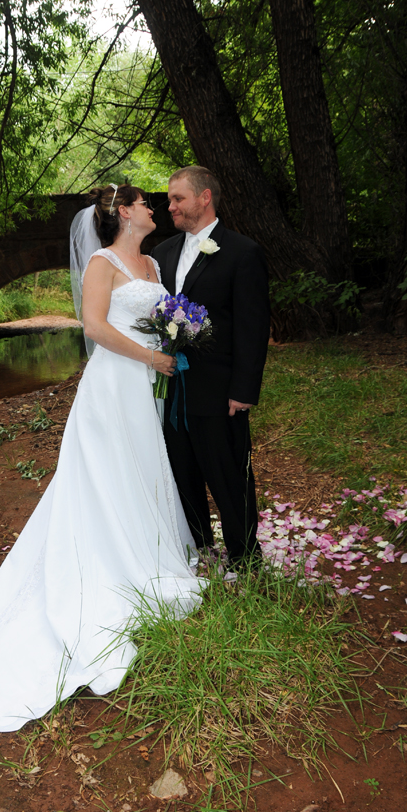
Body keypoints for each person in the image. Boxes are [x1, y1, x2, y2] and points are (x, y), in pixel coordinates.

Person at [0, 185, 204, 733]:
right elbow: (95, 328)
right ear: (124, 212)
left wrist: (171, 343)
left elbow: (157, 317)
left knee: (141, 472)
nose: (154, 209)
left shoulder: (150, 261)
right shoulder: (102, 262)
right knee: (103, 479)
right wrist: (152, 355)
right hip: (113, 386)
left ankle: (144, 559)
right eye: (146, 202)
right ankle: (103, 572)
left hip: (145, 385)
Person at [152, 166, 270, 568]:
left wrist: (244, 389)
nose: (170, 207)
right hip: (172, 386)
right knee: (182, 471)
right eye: (170, 200)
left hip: (220, 389)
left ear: (204, 198)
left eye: (177, 199)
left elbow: (253, 327)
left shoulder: (242, 252)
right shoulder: (162, 254)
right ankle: (198, 549)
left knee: (228, 473)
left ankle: (244, 556)